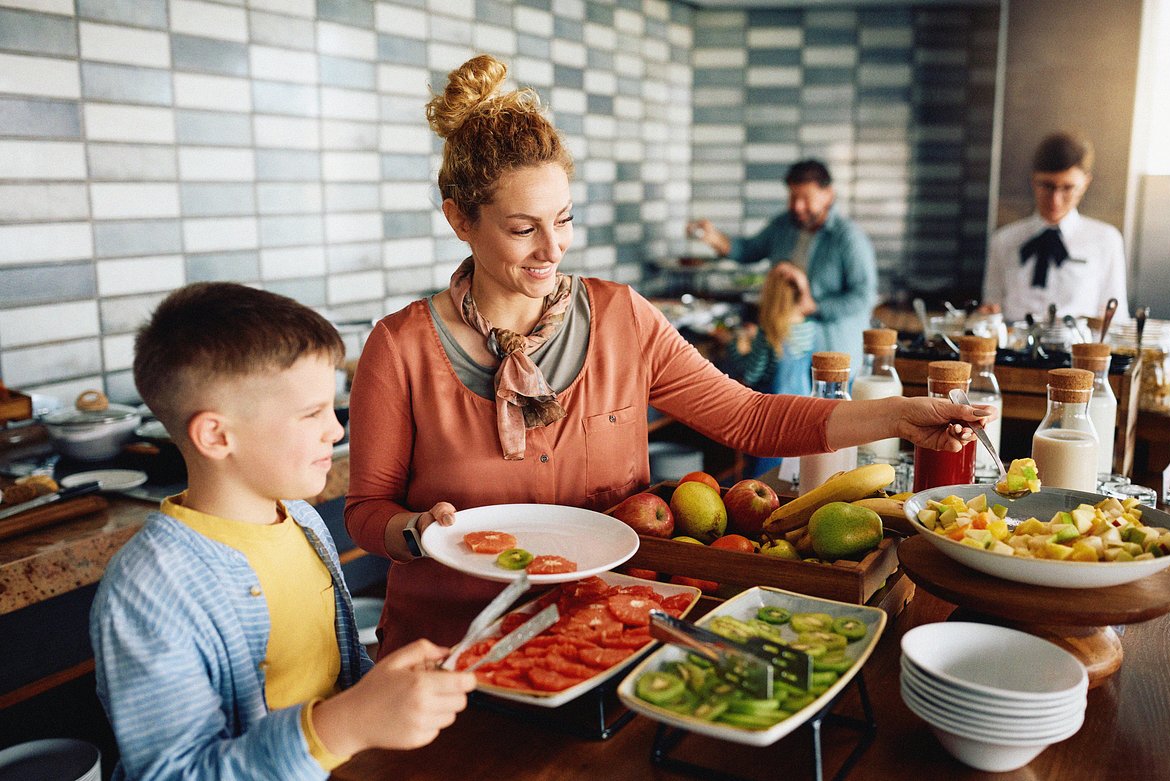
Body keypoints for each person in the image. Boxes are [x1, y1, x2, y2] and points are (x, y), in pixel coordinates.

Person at [345, 54, 992, 656]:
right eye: (523, 228)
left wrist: (900, 415)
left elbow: (750, 418)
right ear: (460, 219)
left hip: (603, 637)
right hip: (446, 653)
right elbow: (367, 509)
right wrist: (417, 529)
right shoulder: (399, 347)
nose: (553, 248)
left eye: (564, 219)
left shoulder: (625, 318)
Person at [90, 283, 475, 781]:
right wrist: (347, 725)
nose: (336, 431)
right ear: (216, 435)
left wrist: (381, 691)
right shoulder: (148, 593)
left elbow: (329, 677)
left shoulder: (301, 519)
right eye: (312, 414)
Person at [687, 159, 877, 372]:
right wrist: (714, 238)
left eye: (806, 198)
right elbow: (749, 250)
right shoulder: (783, 225)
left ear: (828, 194)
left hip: (833, 357)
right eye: (793, 197)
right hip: (786, 350)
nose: (797, 206)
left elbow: (864, 297)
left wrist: (814, 307)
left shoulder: (849, 238)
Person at [981, 131, 1129, 322]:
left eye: (1067, 188)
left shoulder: (1106, 239)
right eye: (1047, 186)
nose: (1055, 200)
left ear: (1085, 183)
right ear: (1034, 180)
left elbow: (1115, 317)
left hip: (1076, 348)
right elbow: (991, 310)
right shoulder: (1003, 240)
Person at [719, 270, 816, 477]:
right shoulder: (809, 327)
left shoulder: (769, 332)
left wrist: (735, 345)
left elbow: (752, 373)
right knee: (788, 475)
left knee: (763, 477)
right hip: (802, 409)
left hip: (772, 416)